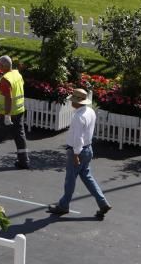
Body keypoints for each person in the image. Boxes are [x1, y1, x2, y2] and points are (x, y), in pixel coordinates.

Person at [47, 88, 113, 219]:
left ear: (77, 102)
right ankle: (102, 202)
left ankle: (63, 206)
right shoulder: (90, 111)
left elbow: (78, 138)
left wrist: (76, 154)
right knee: (87, 177)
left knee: (70, 180)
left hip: (78, 151)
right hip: (88, 149)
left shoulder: (78, 117)